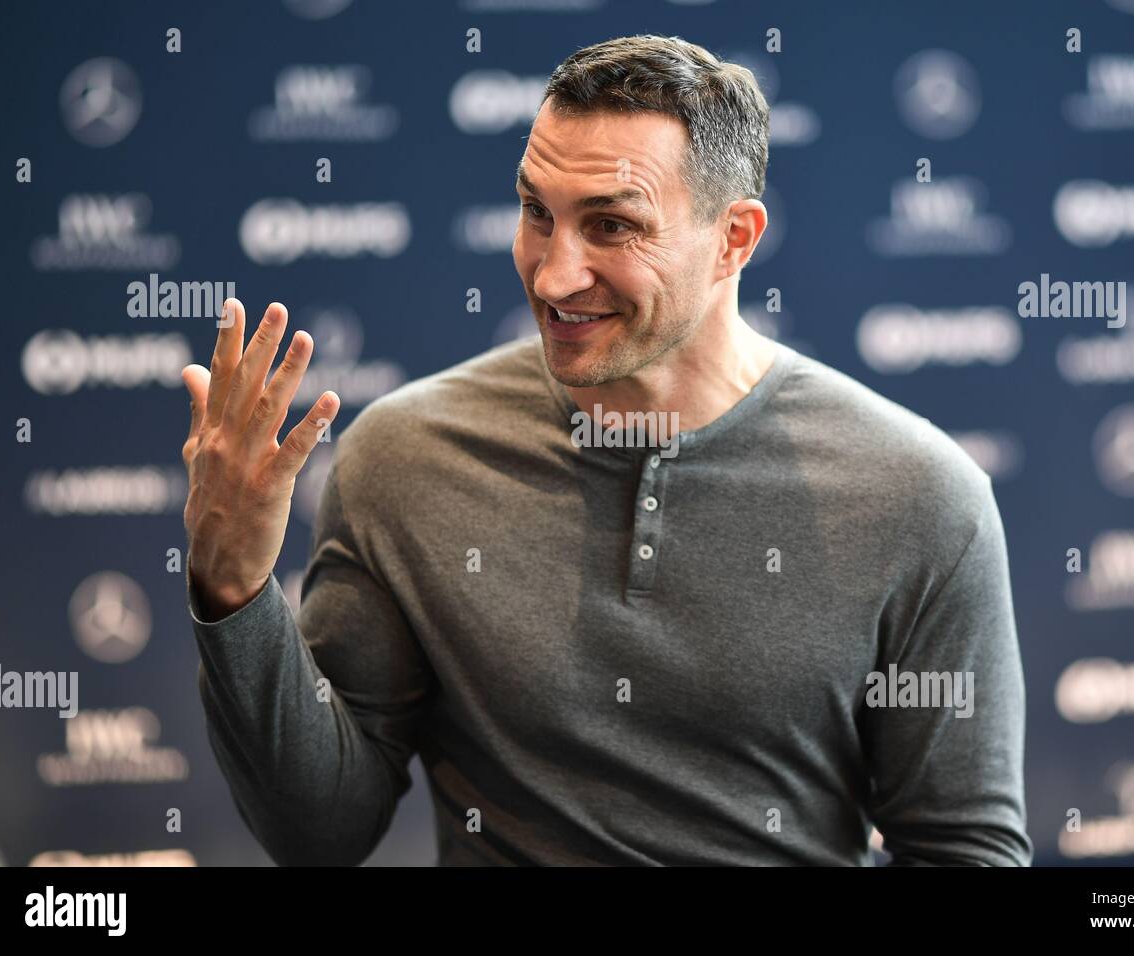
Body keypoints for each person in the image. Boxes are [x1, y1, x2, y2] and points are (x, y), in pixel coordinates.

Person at [181, 34, 1032, 866]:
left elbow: (962, 847)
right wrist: (233, 587)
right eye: (536, 214)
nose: (552, 276)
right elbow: (320, 833)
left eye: (612, 227)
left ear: (735, 238)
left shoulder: (920, 495)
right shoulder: (403, 457)